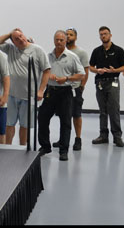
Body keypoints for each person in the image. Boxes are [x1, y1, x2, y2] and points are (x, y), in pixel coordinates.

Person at [0, 28, 51, 146]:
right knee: (9, 124)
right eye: (16, 39)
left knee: (24, 125)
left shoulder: (37, 50)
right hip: (11, 95)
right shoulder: (11, 49)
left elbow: (47, 70)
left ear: (24, 35)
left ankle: (22, 148)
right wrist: (10, 34)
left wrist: (41, 90)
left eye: (21, 36)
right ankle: (7, 147)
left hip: (29, 96)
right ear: (12, 42)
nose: (20, 39)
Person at [38, 30, 85, 161]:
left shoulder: (72, 56)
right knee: (42, 117)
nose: (59, 42)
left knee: (65, 122)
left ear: (65, 41)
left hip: (65, 92)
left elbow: (81, 74)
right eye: (56, 40)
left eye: (61, 40)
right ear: (54, 40)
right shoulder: (48, 56)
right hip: (50, 91)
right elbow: (42, 72)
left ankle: (63, 151)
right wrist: (48, 76)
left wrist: (67, 78)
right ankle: (45, 146)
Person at [89, 26, 124, 147]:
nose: (103, 36)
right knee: (102, 110)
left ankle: (117, 137)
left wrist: (115, 70)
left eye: (105, 34)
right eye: (101, 34)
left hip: (113, 82)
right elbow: (90, 67)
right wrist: (97, 70)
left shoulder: (118, 50)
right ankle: (103, 135)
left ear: (110, 35)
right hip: (100, 82)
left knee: (114, 109)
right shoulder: (96, 51)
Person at [53, 28, 90, 151]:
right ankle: (63, 139)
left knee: (76, 114)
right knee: (64, 115)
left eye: (71, 35)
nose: (68, 37)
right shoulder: (58, 52)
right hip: (62, 90)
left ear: (76, 37)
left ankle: (78, 139)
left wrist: (81, 86)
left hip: (75, 89)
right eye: (67, 34)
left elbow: (85, 71)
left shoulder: (80, 53)